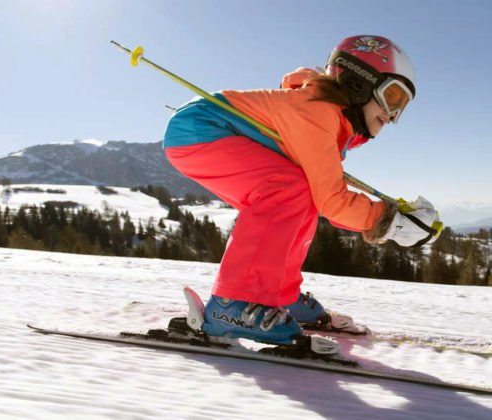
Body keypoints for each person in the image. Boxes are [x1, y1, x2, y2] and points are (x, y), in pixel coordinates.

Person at [163, 35, 441, 345]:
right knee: (289, 189)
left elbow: (323, 197)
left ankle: (278, 294)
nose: (392, 115)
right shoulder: (316, 112)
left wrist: (386, 218)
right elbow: (333, 201)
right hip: (199, 131)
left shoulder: (329, 117)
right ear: (358, 82)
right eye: (392, 97)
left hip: (210, 132)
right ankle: (233, 304)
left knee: (301, 193)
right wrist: (389, 221)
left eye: (401, 107)